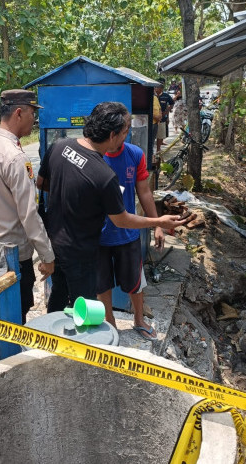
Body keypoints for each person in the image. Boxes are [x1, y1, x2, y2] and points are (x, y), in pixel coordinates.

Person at [36, 102, 185, 313]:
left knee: (58, 295)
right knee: (84, 308)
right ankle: (79, 344)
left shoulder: (60, 146)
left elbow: (42, 183)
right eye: (125, 131)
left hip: (54, 244)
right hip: (81, 251)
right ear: (113, 135)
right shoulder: (103, 175)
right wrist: (158, 221)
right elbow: (121, 219)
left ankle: (51, 340)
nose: (127, 135)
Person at [0, 90, 54, 324]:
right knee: (17, 312)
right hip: (14, 255)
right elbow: (29, 214)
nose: (34, 120)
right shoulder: (16, 158)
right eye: (32, 113)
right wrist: (47, 255)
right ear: (19, 113)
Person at [97, 139, 164, 341]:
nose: (122, 135)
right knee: (102, 283)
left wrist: (157, 224)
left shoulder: (135, 154)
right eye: (120, 130)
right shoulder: (95, 156)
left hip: (128, 233)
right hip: (99, 235)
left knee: (135, 282)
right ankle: (109, 321)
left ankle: (138, 320)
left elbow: (144, 191)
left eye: (126, 130)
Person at [155, 78, 174, 153]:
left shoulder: (166, 96)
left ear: (162, 88)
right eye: (155, 87)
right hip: (152, 119)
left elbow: (172, 103)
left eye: (158, 87)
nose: (156, 88)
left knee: (160, 135)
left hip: (162, 119)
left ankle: (158, 150)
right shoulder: (152, 95)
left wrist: (166, 113)